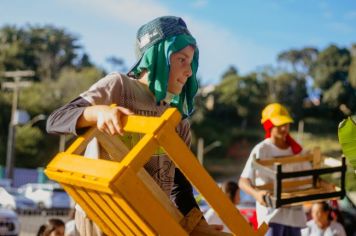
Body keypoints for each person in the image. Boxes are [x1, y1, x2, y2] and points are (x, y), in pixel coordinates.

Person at [47, 16, 218, 235]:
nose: (189, 71)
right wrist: (99, 112)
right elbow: (56, 120)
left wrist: (197, 224)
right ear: (157, 55)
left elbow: (179, 184)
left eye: (191, 62)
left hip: (147, 221)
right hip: (104, 215)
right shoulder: (119, 87)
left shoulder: (176, 119)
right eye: (182, 60)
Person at [238, 103, 310, 236]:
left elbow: (308, 179)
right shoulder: (261, 150)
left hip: (294, 217)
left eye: (286, 124)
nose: (284, 128)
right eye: (279, 124)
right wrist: (256, 194)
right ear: (268, 125)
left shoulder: (296, 151)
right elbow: (243, 181)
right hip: (271, 216)